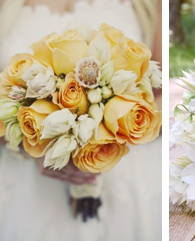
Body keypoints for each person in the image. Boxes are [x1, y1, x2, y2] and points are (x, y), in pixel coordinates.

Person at [0, 0, 162, 240]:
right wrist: (32, 146)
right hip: (28, 184)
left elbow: (160, 93)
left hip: (128, 177)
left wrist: (105, 141)